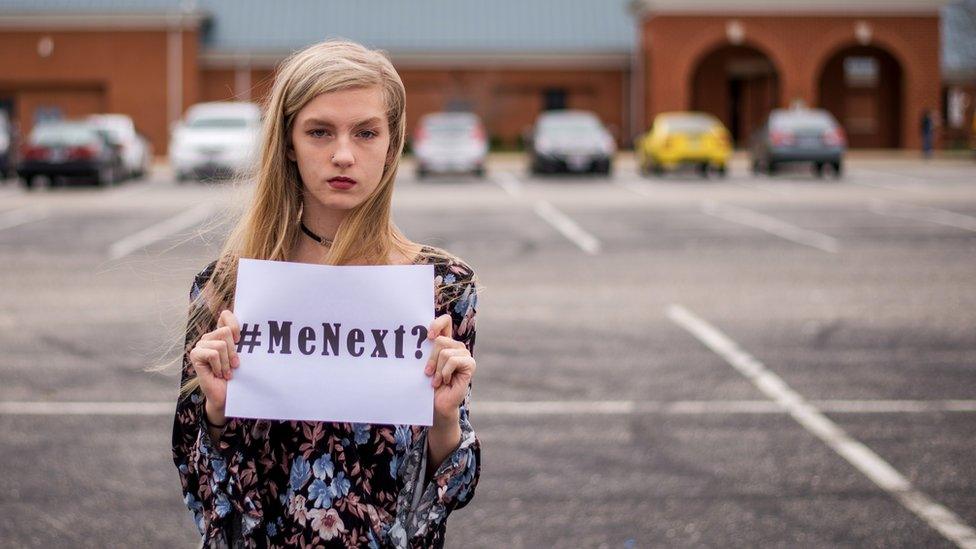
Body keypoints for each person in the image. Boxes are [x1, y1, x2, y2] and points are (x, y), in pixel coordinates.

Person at [173, 40, 481, 548]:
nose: (343, 154)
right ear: (289, 142)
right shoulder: (226, 288)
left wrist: (445, 417)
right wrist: (219, 411)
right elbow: (199, 484)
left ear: (392, 141)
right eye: (319, 131)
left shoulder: (443, 287)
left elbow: (450, 489)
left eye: (366, 132)